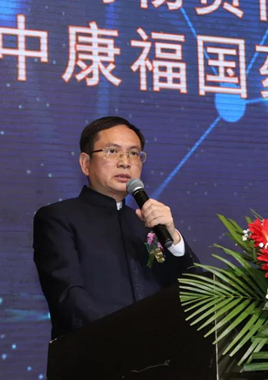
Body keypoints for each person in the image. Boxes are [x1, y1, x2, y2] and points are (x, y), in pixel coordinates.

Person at [33, 116, 199, 340]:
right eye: (112, 151)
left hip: (157, 353)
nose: (125, 162)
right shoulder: (58, 218)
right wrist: (125, 336)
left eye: (134, 153)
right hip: (93, 350)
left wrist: (174, 239)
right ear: (85, 163)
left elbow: (197, 292)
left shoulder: (148, 224)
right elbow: (68, 295)